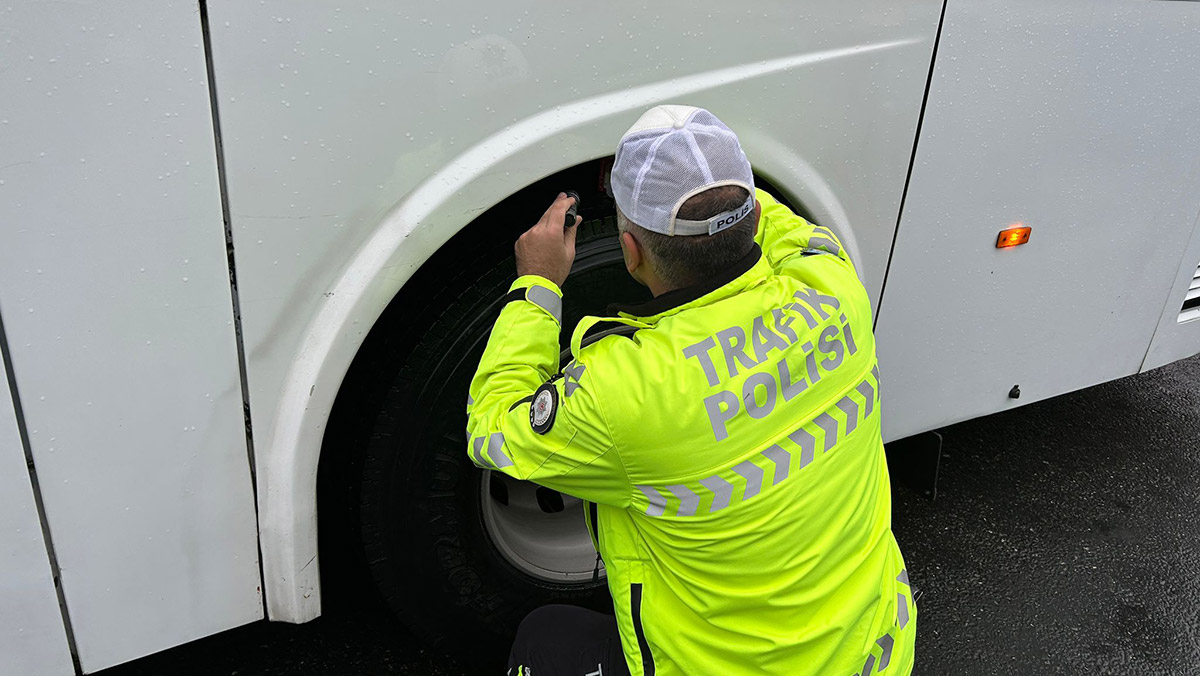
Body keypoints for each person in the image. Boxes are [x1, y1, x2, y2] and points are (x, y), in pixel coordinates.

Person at [466, 105, 915, 676]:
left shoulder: (623, 391)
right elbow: (775, 225)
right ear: (751, 216)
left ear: (628, 253)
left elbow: (493, 430)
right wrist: (702, 179)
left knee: (543, 636)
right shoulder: (833, 285)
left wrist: (536, 284)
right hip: (877, 653)